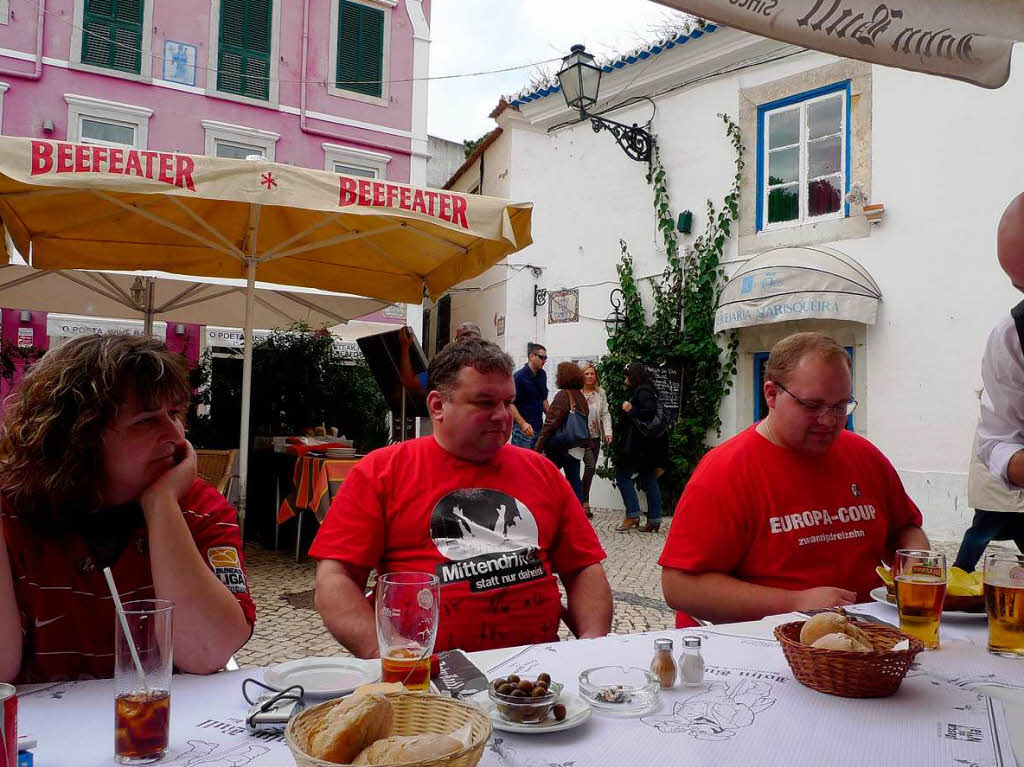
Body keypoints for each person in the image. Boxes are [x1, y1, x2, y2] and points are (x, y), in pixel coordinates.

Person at [310, 339, 612, 656]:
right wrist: (388, 658)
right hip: (428, 681)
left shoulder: (542, 472)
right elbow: (336, 580)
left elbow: (583, 569)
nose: (502, 415)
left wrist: (589, 646)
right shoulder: (381, 472)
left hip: (532, 681)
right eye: (484, 403)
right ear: (437, 406)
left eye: (507, 402)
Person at [0, 335, 255, 683]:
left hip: (162, 728)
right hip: (38, 733)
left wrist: (161, 504)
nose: (177, 437)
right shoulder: (11, 512)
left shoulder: (199, 508)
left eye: (174, 414)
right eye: (147, 421)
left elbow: (208, 651)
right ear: (78, 437)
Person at [659, 332, 929, 627]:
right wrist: (795, 603)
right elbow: (680, 587)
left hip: (865, 641)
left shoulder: (863, 455)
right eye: (812, 406)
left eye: (841, 406)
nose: (829, 421)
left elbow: (905, 529)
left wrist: (914, 564)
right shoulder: (726, 471)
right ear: (771, 394)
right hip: (759, 645)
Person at [958, 192, 1024, 569]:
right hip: (1000, 495)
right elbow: (998, 438)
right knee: (979, 537)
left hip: (1000, 497)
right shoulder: (1012, 336)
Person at [615, 363, 665, 533]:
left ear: (634, 376)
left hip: (639, 445)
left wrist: (630, 409)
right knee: (649, 478)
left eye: (627, 375)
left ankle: (633, 514)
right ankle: (654, 520)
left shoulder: (643, 391)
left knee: (622, 475)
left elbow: (648, 413)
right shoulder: (647, 389)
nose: (625, 379)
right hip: (646, 445)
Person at [535, 362, 589, 504]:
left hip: (560, 447)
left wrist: (538, 447)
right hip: (576, 446)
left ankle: (546, 508)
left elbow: (550, 423)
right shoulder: (580, 397)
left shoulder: (563, 395)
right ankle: (578, 515)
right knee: (574, 480)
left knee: (543, 477)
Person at [581, 364, 613, 519]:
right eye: (586, 374)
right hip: (580, 437)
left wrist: (608, 433)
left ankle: (582, 499)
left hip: (594, 436)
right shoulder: (576, 393)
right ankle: (584, 502)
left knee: (590, 470)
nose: (589, 376)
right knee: (590, 465)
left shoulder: (600, 393)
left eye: (592, 374)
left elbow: (605, 414)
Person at [510, 343, 549, 449]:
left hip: (538, 428)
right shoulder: (519, 377)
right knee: (521, 463)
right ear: (531, 356)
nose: (544, 361)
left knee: (535, 463)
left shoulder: (542, 375)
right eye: (542, 357)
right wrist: (522, 424)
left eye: (546, 358)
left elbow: (544, 399)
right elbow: (510, 404)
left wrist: (551, 419)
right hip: (522, 431)